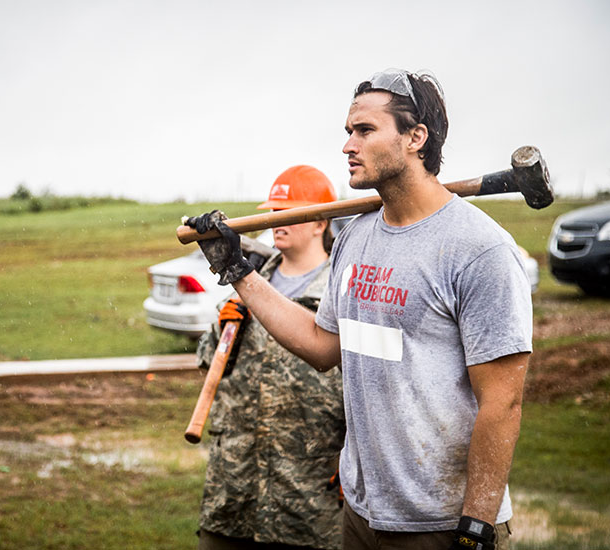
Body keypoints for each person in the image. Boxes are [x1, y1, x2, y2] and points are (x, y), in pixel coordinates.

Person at [186, 69, 532, 550]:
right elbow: (322, 345)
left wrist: (477, 522)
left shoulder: (478, 249)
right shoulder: (356, 237)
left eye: (365, 131)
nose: (348, 145)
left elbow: (503, 402)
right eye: (348, 131)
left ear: (416, 138)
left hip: (439, 522)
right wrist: (239, 270)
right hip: (361, 513)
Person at [196, 166, 345, 550]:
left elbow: (372, 380)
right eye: (272, 212)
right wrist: (219, 331)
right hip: (236, 482)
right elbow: (209, 362)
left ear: (319, 223)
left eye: (288, 212)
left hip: (308, 486)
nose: (276, 220)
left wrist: (360, 459)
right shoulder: (249, 280)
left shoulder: (342, 286)